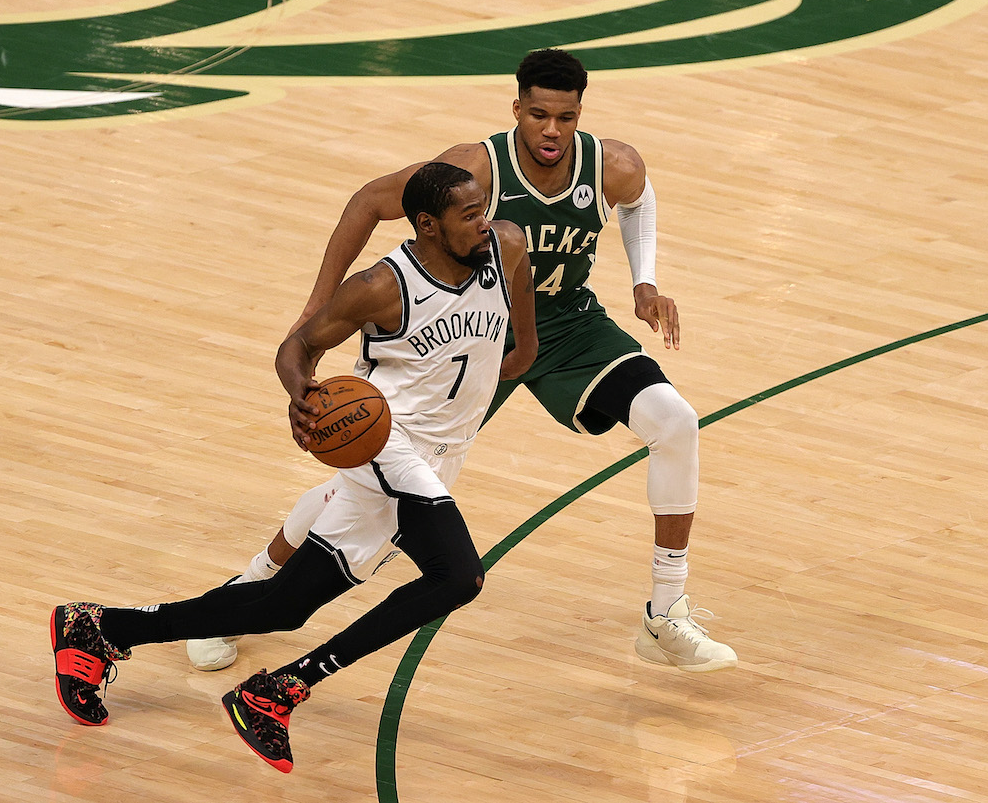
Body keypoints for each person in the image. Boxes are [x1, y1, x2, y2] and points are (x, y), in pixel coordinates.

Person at [186, 48, 736, 675]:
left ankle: (665, 615)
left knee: (676, 421)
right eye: (538, 115)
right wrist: (315, 308)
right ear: (516, 110)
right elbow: (370, 199)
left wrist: (645, 282)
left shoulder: (612, 165)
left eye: (565, 117)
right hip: (470, 336)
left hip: (566, 328)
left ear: (581, 114)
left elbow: (640, 202)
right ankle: (238, 595)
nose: (551, 131)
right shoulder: (474, 168)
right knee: (365, 491)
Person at [50, 162, 537, 773]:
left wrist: (502, 366)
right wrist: (302, 399)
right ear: (428, 226)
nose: (485, 223)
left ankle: (99, 628)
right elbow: (299, 347)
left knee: (284, 605)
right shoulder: (384, 287)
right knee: (458, 576)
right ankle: (278, 692)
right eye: (470, 215)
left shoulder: (507, 247)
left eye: (485, 208)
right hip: (386, 443)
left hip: (445, 456)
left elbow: (523, 348)